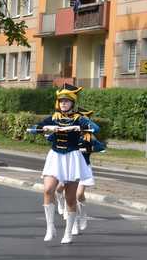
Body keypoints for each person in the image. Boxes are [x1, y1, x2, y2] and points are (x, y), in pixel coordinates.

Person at [29, 86, 99, 244]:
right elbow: (34, 128)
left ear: (72, 103)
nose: (63, 104)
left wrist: (78, 127)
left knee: (70, 199)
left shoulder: (79, 118)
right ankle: (50, 227)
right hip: (55, 157)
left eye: (66, 101)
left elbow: (95, 128)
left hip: (72, 158)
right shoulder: (54, 117)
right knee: (48, 190)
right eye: (61, 101)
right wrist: (44, 128)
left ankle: (68, 232)